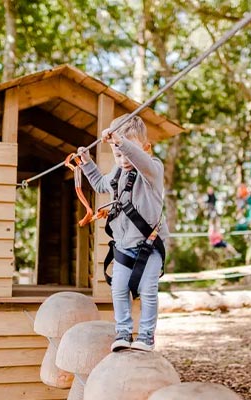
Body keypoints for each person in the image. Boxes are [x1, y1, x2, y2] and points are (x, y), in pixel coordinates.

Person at [78, 114, 168, 352]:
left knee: (148, 291)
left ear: (145, 148)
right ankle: (123, 332)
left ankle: (146, 336)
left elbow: (138, 159)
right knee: (118, 289)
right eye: (117, 155)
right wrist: (86, 162)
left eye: (127, 152)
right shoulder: (117, 174)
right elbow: (99, 184)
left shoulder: (152, 171)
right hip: (123, 246)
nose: (123, 158)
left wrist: (120, 142)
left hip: (149, 245)